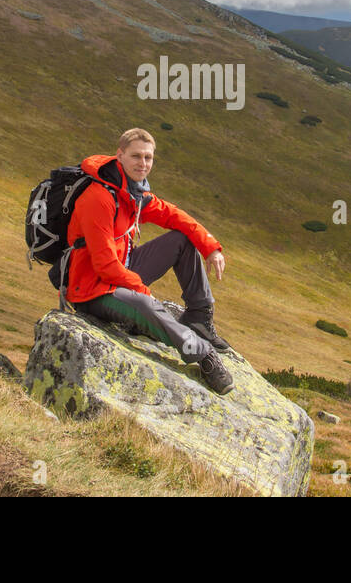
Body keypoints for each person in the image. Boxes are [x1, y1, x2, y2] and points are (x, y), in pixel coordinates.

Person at [63, 127, 235, 394]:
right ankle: (203, 355)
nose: (143, 164)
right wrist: (142, 291)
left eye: (148, 158)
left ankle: (200, 318)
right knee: (145, 304)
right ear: (119, 155)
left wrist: (211, 247)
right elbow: (105, 267)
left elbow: (174, 216)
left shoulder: (133, 193)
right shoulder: (99, 198)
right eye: (136, 156)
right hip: (92, 290)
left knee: (182, 239)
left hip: (122, 270)